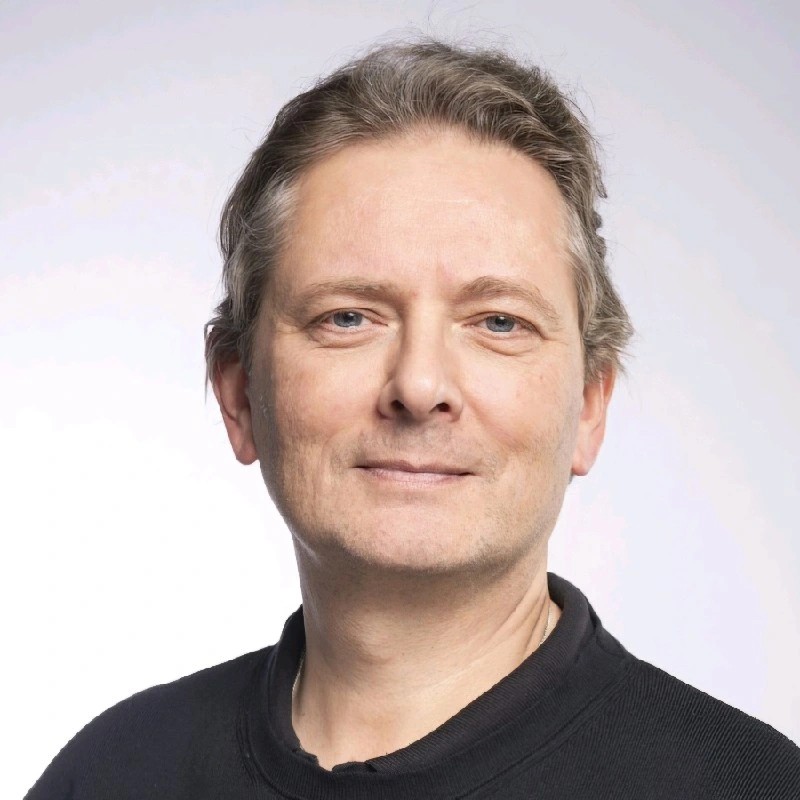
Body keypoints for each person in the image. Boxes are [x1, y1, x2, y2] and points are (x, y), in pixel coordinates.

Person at [27, 38, 800, 799]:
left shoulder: (750, 787)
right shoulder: (111, 776)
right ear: (238, 394)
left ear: (591, 405)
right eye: (347, 317)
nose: (420, 385)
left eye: (498, 322)